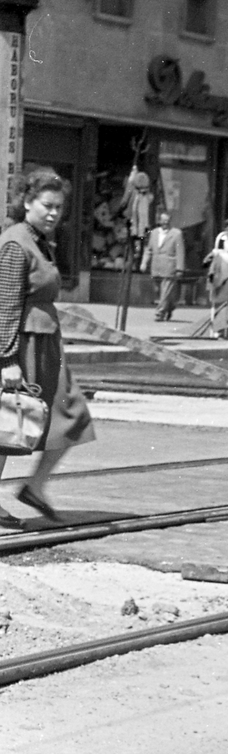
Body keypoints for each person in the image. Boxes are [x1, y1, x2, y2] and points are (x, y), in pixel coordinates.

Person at [0, 168, 95, 522]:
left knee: (71, 417)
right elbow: (5, 303)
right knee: (9, 421)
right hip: (22, 346)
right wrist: (6, 359)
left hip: (45, 345)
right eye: (47, 205)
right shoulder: (15, 242)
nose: (54, 213)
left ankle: (35, 487)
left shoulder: (37, 239)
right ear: (26, 201)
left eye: (59, 207)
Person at [141, 209, 185, 322]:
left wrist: (180, 268)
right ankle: (169, 307)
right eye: (163, 220)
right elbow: (149, 249)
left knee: (165, 291)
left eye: (167, 221)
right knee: (159, 291)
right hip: (156, 266)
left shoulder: (176, 233)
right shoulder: (154, 233)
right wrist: (144, 262)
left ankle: (159, 313)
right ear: (159, 221)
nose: (165, 223)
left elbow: (180, 251)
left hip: (170, 267)